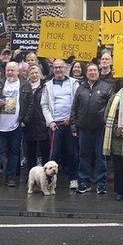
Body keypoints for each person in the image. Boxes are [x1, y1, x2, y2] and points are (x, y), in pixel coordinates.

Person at [0, 62, 32, 189]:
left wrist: (25, 121)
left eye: (12, 70)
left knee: (14, 153)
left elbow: (30, 104)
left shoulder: (25, 85)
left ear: (18, 72)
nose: (10, 72)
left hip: (16, 125)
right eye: (8, 70)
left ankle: (10, 177)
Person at [72, 63, 115, 194]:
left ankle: (101, 183)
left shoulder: (107, 87)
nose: (92, 72)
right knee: (83, 155)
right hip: (84, 128)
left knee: (101, 156)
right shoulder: (80, 88)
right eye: (90, 70)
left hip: (100, 128)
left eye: (95, 70)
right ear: (86, 73)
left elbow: (112, 109)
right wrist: (74, 126)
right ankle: (84, 182)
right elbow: (74, 108)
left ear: (99, 72)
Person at [42, 59, 80, 189]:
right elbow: (44, 105)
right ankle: (49, 181)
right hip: (55, 124)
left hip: (70, 123)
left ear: (65, 68)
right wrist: (50, 121)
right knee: (54, 154)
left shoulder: (74, 83)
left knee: (72, 152)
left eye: (61, 67)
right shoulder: (48, 85)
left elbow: (78, 102)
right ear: (53, 69)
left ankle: (74, 178)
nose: (58, 70)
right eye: (56, 67)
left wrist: (72, 117)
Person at [23, 65, 50, 177]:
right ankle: (32, 176)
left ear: (40, 73)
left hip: (42, 122)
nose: (34, 75)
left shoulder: (46, 86)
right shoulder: (25, 87)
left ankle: (46, 175)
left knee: (44, 150)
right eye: (32, 73)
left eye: (36, 73)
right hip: (29, 123)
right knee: (31, 152)